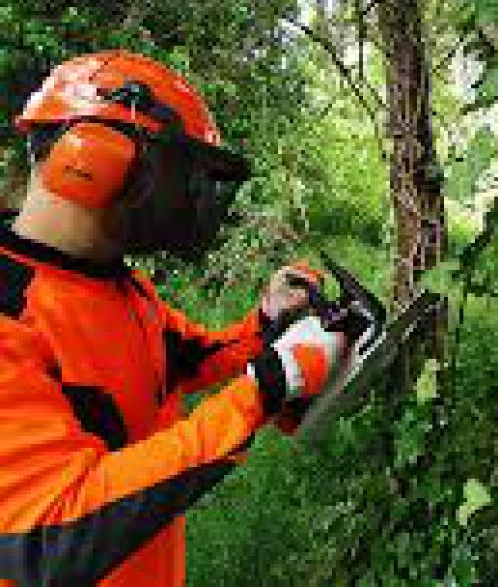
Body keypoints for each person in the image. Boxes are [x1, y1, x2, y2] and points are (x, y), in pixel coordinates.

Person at [0, 51, 348, 586]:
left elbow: (188, 357)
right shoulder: (11, 316)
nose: (188, 196)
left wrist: (265, 324)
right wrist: (265, 390)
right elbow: (50, 535)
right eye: (176, 173)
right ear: (93, 161)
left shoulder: (115, 282)